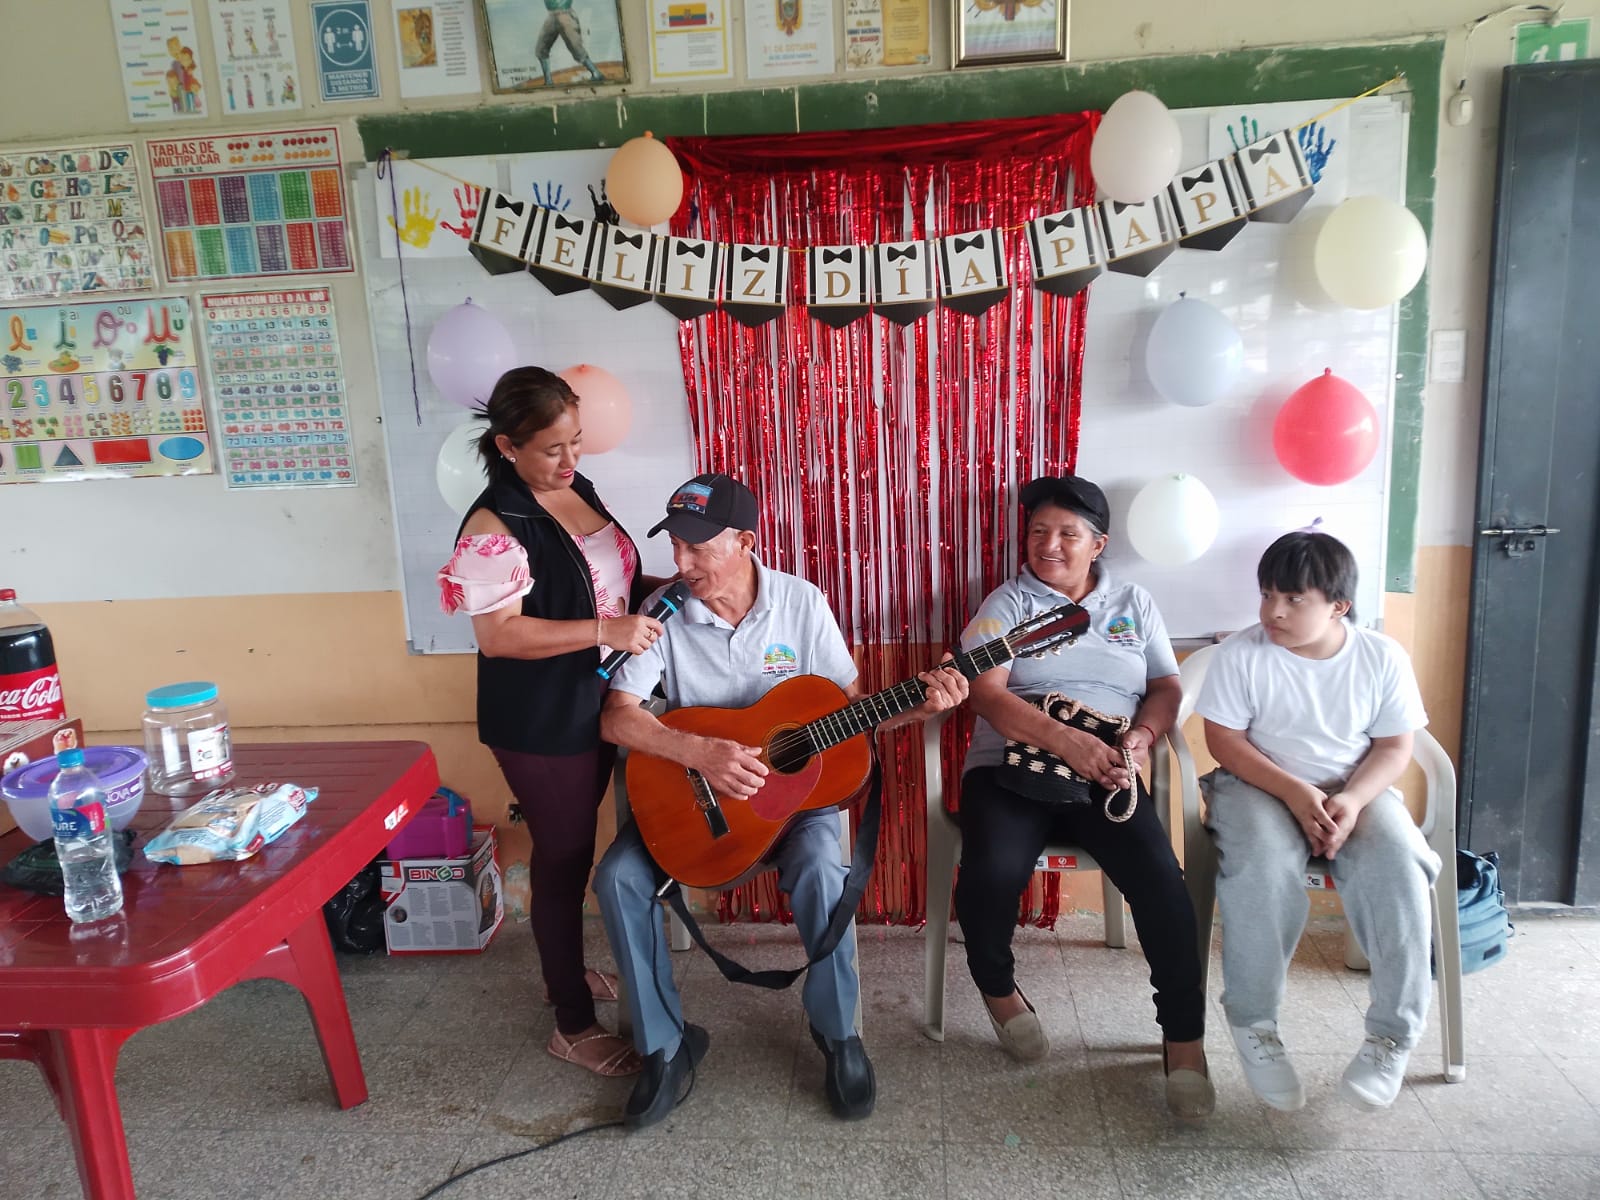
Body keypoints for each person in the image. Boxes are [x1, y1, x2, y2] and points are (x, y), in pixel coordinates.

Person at [594, 473, 968, 1129]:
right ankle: (665, 1046)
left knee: (825, 869)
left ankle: (839, 1034)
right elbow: (617, 717)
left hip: (795, 808)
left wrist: (917, 708)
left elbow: (848, 710)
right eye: (674, 545)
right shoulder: (662, 612)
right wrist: (698, 752)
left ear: (745, 542)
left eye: (696, 547)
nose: (680, 562)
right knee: (618, 877)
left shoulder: (802, 602)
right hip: (698, 804)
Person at [437, 366, 672, 1078]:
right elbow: (499, 636)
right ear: (507, 446)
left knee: (572, 852)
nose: (571, 460)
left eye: (576, 441)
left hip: (593, 701)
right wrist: (606, 631)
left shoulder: (575, 488)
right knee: (564, 857)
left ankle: (559, 972)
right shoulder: (493, 527)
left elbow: (604, 582)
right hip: (539, 718)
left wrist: (674, 585)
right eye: (551, 449)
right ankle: (570, 1023)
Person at [953, 474, 1213, 1119]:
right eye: (1039, 531)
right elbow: (985, 692)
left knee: (1162, 881)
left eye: (1068, 534)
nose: (1049, 545)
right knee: (992, 871)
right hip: (1009, 767)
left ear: (1097, 544)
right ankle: (1000, 992)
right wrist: (1066, 741)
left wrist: (1141, 738)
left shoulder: (1133, 603)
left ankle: (1184, 1040)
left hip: (1107, 770)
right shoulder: (1008, 603)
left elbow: (1166, 687)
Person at [1196, 530, 1438, 1112]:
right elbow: (1224, 742)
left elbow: (1394, 747)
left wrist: (1352, 800)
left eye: (1293, 599)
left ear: (1338, 605)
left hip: (1355, 786)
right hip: (1257, 784)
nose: (1273, 611)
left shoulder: (1382, 657)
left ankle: (1392, 1035)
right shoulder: (1241, 654)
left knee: (1401, 863)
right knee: (1262, 866)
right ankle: (1254, 1023)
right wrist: (1295, 792)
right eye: (1267, 595)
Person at [536, 0, 606, 86]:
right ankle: (548, 81)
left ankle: (596, 73)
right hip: (552, 15)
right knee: (541, 50)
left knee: (576, 49)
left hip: (565, 14)